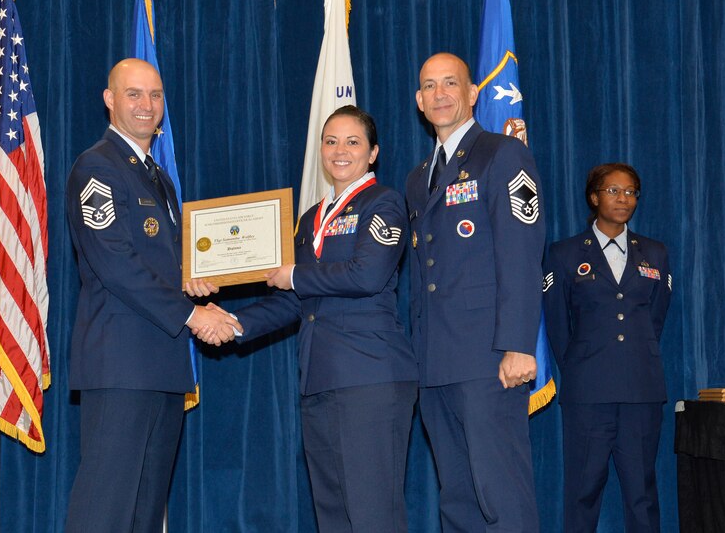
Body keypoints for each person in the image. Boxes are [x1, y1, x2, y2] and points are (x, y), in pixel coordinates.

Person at [199, 105, 418, 532]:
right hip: (318, 380)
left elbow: (368, 274)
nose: (340, 151)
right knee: (333, 516)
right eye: (331, 141)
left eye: (353, 142)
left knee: (373, 516)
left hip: (370, 379)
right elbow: (295, 303)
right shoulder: (306, 220)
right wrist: (234, 323)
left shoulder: (385, 203)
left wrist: (295, 273)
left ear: (373, 153)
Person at [64, 58, 240, 533]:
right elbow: (115, 262)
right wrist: (191, 314)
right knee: (104, 511)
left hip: (161, 365)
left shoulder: (157, 178)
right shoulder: (97, 167)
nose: (146, 105)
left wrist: (192, 280)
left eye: (155, 95)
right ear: (110, 99)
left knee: (144, 515)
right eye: (134, 94)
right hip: (121, 366)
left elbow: (158, 262)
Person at [404, 52, 544, 531]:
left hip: (489, 358)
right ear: (419, 101)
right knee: (457, 498)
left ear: (472, 93)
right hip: (435, 361)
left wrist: (519, 344)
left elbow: (522, 253)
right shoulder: (417, 178)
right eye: (429, 86)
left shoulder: (502, 154)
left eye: (451, 83)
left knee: (501, 492)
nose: (440, 94)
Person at [543, 163, 672, 532]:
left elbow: (656, 319)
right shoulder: (564, 253)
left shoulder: (655, 253)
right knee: (582, 492)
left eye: (630, 192)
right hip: (588, 392)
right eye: (613, 191)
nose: (623, 199)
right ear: (594, 196)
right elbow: (556, 323)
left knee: (642, 495)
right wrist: (583, 369)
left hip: (641, 391)